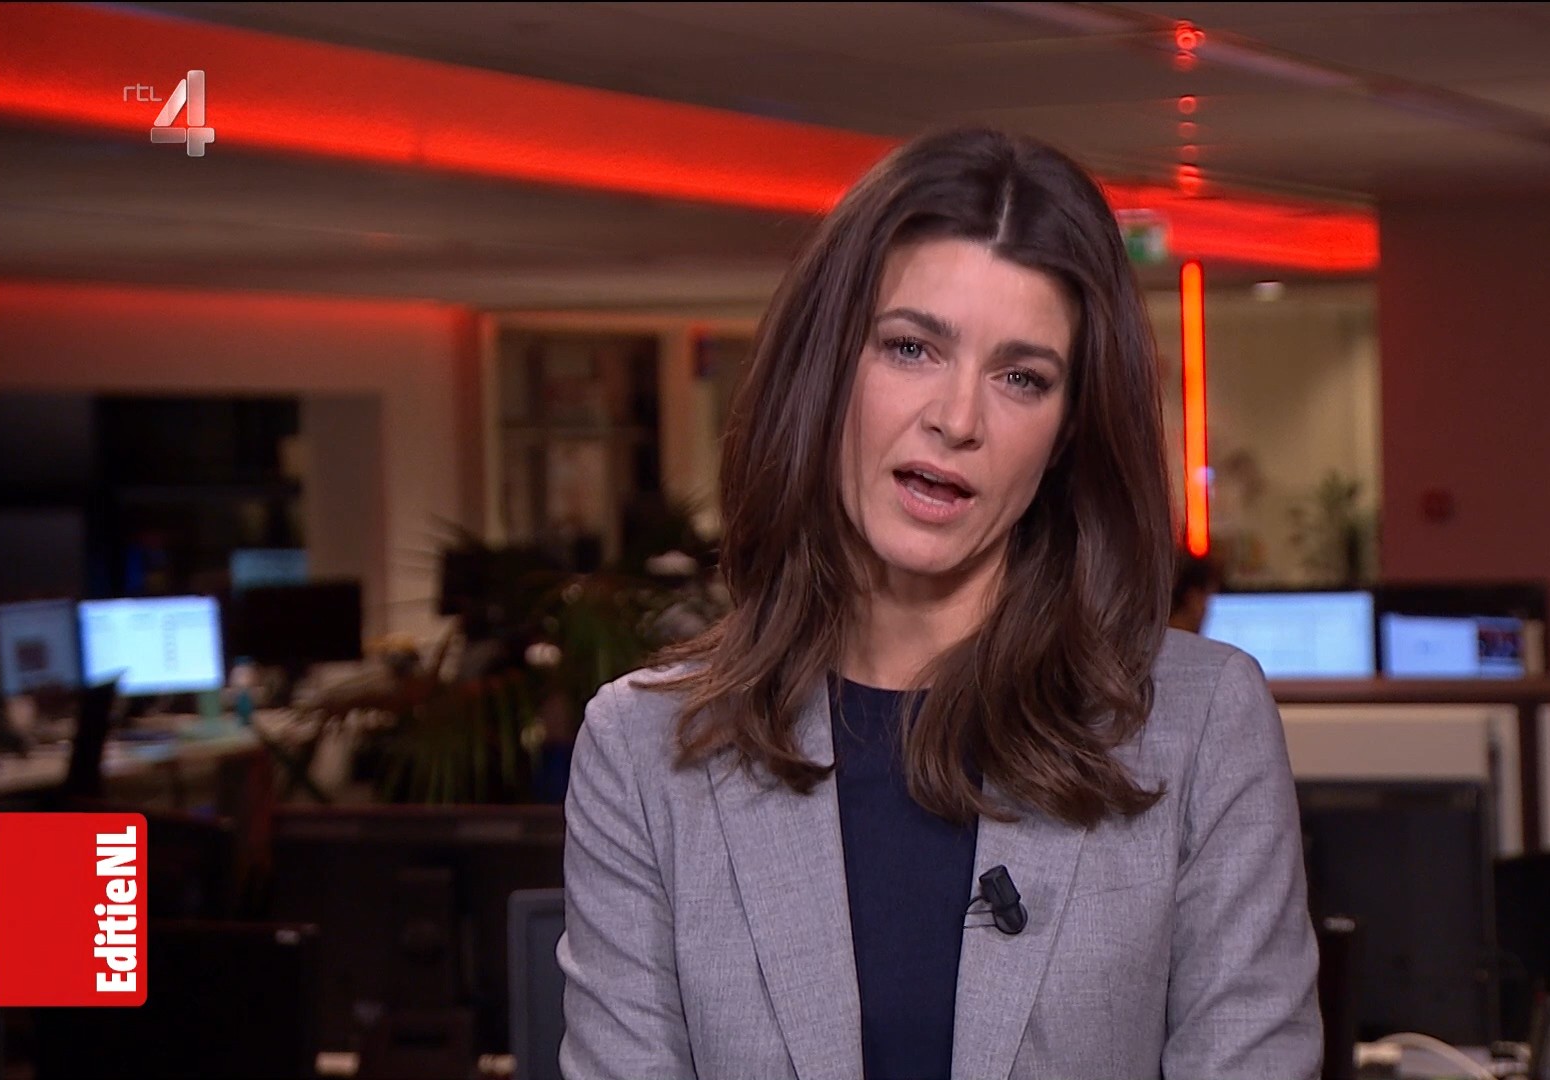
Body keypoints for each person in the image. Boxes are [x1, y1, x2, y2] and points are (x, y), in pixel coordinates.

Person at [559, 127, 1321, 1080]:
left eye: (1021, 378)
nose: (958, 419)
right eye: (911, 348)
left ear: (1067, 430)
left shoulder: (1201, 725)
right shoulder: (644, 750)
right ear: (828, 365)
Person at [1168, 551, 1222, 634]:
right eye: (1207, 599)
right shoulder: (1191, 640)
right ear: (1193, 598)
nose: (1206, 610)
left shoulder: (1153, 637)